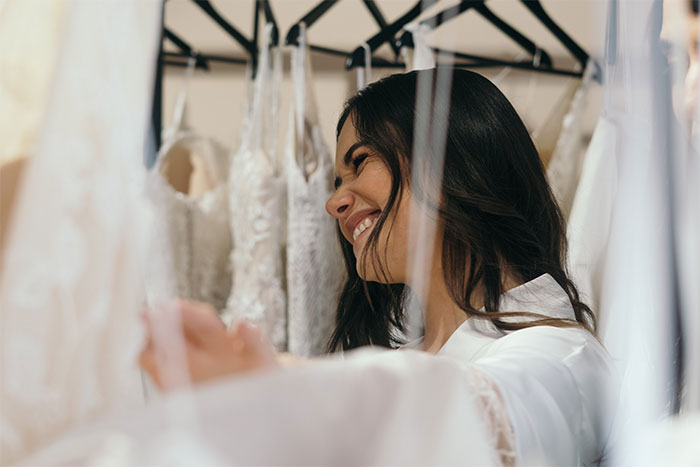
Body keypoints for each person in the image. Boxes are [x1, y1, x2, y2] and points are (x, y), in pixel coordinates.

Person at [140, 69, 615, 466]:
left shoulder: (562, 357)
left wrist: (279, 387)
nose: (333, 202)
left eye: (360, 162)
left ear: (447, 160)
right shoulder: (403, 347)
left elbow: (477, 417)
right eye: (335, 180)